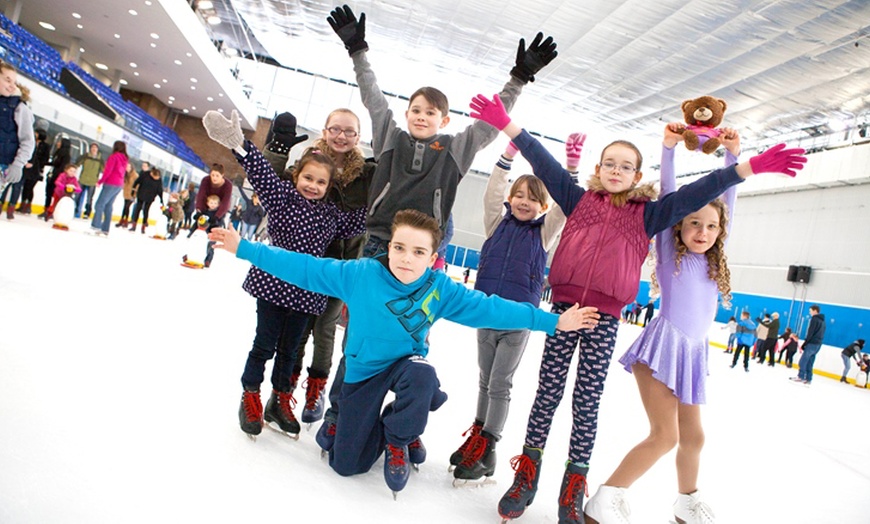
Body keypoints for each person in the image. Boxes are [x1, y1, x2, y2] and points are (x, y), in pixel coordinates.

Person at [467, 93, 806, 522]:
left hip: (604, 319)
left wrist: (746, 166)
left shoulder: (649, 216)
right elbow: (541, 161)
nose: (616, 171)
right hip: (564, 312)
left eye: (626, 166)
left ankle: (574, 486)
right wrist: (508, 124)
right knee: (546, 395)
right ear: (598, 169)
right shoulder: (577, 200)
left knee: (586, 404)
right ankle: (527, 475)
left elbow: (701, 191)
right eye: (609, 163)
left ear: (637, 175)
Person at [207, 209, 600, 496]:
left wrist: (552, 322)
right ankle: (347, 417)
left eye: (417, 252)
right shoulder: (361, 274)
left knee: (422, 376)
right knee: (347, 466)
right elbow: (305, 268)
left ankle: (400, 437)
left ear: (432, 259)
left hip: (406, 366)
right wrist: (245, 248)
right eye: (399, 247)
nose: (405, 258)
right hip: (362, 370)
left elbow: (491, 307)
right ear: (389, 246)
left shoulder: (439, 288)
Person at [316, 4, 559, 456]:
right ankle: (338, 413)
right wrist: (357, 48)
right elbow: (371, 95)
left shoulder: (456, 149)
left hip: (425, 256)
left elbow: (491, 123)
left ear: (445, 120)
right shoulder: (388, 134)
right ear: (407, 113)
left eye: (431, 112)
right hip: (378, 246)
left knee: (414, 334)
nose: (421, 116)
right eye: (416, 109)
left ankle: (406, 421)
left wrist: (520, 78)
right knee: (360, 334)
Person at [583, 123, 743, 524]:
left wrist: (733, 156)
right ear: (678, 228)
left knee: (693, 437)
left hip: (692, 354)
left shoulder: (711, 259)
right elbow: (670, 197)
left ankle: (687, 503)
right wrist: (668, 150)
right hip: (661, 350)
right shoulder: (671, 254)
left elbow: (728, 199)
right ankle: (606, 497)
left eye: (710, 225)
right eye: (693, 224)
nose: (702, 231)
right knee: (665, 436)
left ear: (720, 230)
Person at [202, 108, 368, 440]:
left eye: (321, 182)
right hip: (274, 286)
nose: (313, 186)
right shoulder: (283, 199)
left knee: (290, 351)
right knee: (264, 344)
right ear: (297, 177)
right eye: (308, 178)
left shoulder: (332, 215)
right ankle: (250, 394)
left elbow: (364, 218)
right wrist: (240, 144)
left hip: (308, 293)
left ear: (328, 186)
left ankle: (279, 400)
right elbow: (261, 173)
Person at [450, 141, 566, 485]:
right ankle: (479, 434)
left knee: (500, 382)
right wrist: (506, 159)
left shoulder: (544, 233)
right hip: (486, 313)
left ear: (542, 205)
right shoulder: (495, 223)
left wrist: (569, 169)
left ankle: (488, 448)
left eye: (532, 198)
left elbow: (563, 206)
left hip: (517, 319)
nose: (524, 202)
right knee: (485, 378)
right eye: (519, 195)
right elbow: (492, 193)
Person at [266, 109, 373, 426]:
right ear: (325, 131)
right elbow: (275, 190)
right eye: (336, 129)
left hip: (342, 266)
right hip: (304, 260)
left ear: (358, 137)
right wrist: (277, 151)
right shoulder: (310, 161)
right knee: (295, 332)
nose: (342, 136)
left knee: (326, 327)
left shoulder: (367, 173)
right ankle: (282, 393)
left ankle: (316, 389)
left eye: (349, 131)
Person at [0, 61, 35, 220]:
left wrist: (18, 164)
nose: (11, 85)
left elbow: (28, 141)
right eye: (7, 80)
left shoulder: (20, 108)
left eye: (13, 81)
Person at [89, 140, 128, 237]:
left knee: (99, 204)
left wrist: (100, 181)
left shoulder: (114, 157)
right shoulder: (125, 159)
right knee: (108, 206)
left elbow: (108, 171)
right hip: (119, 184)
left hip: (111, 182)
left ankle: (96, 226)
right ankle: (105, 229)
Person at [16, 128, 49, 215]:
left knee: (30, 187)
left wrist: (40, 165)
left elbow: (45, 158)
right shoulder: (31, 142)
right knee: (25, 186)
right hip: (28, 167)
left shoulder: (45, 146)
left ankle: (28, 205)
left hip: (37, 169)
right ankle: (22, 204)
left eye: (37, 133)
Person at [791, 305, 826, 385]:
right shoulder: (823, 321)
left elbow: (811, 332)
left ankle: (801, 376)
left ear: (815, 311)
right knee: (810, 361)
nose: (810, 312)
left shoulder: (814, 319)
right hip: (818, 344)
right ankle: (808, 378)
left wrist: (805, 343)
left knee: (803, 361)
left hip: (812, 343)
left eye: (810, 311)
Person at [184, 194, 222, 267]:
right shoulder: (204, 212)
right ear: (207, 203)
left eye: (215, 203)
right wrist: (197, 215)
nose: (213, 205)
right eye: (211, 203)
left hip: (211, 233)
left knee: (209, 247)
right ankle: (189, 255)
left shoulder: (218, 214)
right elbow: (197, 220)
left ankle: (207, 260)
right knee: (195, 244)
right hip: (201, 232)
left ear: (218, 204)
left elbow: (219, 223)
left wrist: (215, 223)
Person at [39, 136, 70, 218]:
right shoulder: (58, 152)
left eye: (60, 142)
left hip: (57, 177)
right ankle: (47, 210)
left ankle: (50, 211)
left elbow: (61, 167)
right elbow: (55, 164)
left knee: (53, 194)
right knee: (48, 193)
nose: (58, 143)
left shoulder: (65, 155)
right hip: (52, 175)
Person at [128, 163, 164, 234]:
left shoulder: (159, 179)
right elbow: (137, 182)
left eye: (157, 178)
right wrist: (133, 190)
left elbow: (160, 190)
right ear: (152, 174)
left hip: (150, 197)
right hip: (141, 194)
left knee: (146, 211)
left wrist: (161, 199)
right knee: (137, 209)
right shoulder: (145, 175)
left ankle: (143, 227)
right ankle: (134, 225)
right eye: (155, 177)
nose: (156, 179)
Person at [74, 142, 104, 219]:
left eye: (95, 148)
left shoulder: (100, 159)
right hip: (83, 179)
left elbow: (104, 170)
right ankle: (75, 210)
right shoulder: (86, 156)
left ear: (98, 149)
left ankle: (87, 212)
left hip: (92, 181)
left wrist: (101, 180)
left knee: (89, 198)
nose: (94, 149)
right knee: (77, 196)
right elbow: (77, 163)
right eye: (92, 147)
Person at [115, 162, 138, 228]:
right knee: (125, 207)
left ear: (131, 167)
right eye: (126, 167)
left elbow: (138, 185)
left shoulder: (135, 175)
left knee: (127, 207)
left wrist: (134, 194)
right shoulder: (125, 174)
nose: (127, 168)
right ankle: (122, 220)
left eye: (128, 167)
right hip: (126, 193)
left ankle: (125, 221)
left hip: (132, 194)